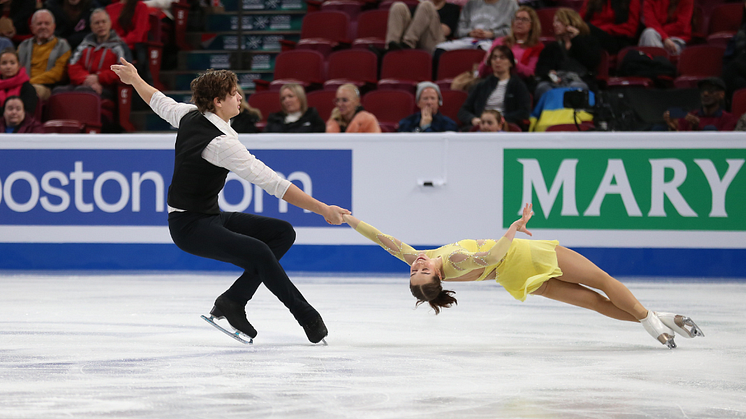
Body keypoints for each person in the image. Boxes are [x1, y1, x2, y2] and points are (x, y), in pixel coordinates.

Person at [111, 57, 351, 343]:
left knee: (282, 233)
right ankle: (306, 316)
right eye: (234, 93)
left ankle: (233, 300)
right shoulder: (220, 144)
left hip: (208, 216)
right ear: (217, 101)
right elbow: (274, 183)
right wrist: (323, 209)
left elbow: (158, 101)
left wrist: (135, 79)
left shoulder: (190, 115)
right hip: (190, 227)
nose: (240, 97)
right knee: (261, 252)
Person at [342, 203, 705, 349]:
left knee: (595, 303)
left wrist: (348, 219)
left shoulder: (420, 258)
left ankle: (663, 320)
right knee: (603, 283)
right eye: (422, 270)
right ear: (437, 277)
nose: (417, 264)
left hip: (517, 278)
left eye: (413, 271)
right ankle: (652, 322)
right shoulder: (453, 259)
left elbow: (382, 240)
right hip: (527, 255)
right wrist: (514, 227)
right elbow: (491, 254)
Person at [533, 8, 601, 103]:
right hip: (556, 81)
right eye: (554, 22)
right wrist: (550, 73)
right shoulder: (552, 47)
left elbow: (592, 61)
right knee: (543, 88)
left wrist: (577, 39)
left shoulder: (589, 41)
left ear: (570, 22)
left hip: (580, 79)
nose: (554, 25)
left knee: (576, 88)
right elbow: (541, 67)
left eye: (558, 21)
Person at [458, 44, 531, 130]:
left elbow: (524, 112)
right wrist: (473, 119)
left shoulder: (518, 85)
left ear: (511, 63)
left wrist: (500, 120)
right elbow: (463, 111)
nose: (497, 61)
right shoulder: (482, 85)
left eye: (502, 58)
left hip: (505, 125)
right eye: (494, 58)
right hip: (482, 124)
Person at [67, 8, 130, 100]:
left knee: (83, 92)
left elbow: (124, 70)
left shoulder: (119, 46)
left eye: (103, 22)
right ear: (91, 26)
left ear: (110, 23)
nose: (101, 25)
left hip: (108, 88)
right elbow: (72, 66)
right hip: (83, 83)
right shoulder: (84, 45)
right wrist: (86, 79)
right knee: (58, 91)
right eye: (97, 23)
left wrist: (98, 78)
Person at [477, 6, 545, 82]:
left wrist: (513, 62)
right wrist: (487, 62)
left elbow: (531, 73)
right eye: (517, 19)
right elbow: (481, 72)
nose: (519, 22)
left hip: (519, 83)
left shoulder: (537, 46)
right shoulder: (500, 41)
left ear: (532, 25)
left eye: (524, 19)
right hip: (494, 80)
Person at [17, 9, 73, 101]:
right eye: (39, 24)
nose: (43, 27)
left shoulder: (63, 46)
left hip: (47, 87)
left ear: (54, 27)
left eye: (47, 23)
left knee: (31, 91)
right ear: (32, 28)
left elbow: (58, 74)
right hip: (23, 84)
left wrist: (28, 83)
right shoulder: (23, 46)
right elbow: (15, 69)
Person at [433, 0, 519, 53]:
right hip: (469, 40)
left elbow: (515, 30)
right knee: (440, 50)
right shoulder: (471, 3)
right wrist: (470, 33)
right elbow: (459, 30)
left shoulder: (510, 4)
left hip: (494, 41)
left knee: (481, 50)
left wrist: (492, 34)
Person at [663, 77, 738, 131]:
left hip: (715, 152)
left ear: (722, 94)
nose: (705, 93)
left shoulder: (729, 119)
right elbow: (681, 141)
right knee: (658, 128)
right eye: (703, 90)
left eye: (711, 90)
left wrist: (697, 128)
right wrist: (673, 128)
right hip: (690, 152)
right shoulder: (690, 117)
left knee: (710, 129)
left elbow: (724, 142)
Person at [384, 0, 460, 53]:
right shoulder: (419, 8)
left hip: (434, 41)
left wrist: (428, 19)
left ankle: (408, 43)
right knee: (398, 6)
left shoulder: (452, 8)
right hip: (417, 39)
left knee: (427, 5)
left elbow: (445, 31)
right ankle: (390, 47)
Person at [0, 48, 38, 113]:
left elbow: (28, 112)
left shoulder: (27, 88)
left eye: (12, 63)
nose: (8, 66)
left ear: (19, 65)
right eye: (4, 63)